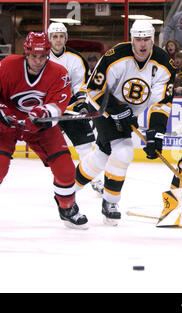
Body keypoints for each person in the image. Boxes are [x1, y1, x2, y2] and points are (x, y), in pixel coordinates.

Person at [74, 20, 176, 226]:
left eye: (146, 39)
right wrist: (117, 110)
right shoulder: (115, 56)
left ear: (153, 40)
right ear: (131, 39)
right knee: (124, 151)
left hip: (129, 112)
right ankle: (110, 202)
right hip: (102, 107)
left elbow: (162, 103)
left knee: (103, 154)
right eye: (138, 39)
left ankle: (67, 188)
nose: (142, 44)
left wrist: (156, 132)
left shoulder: (165, 63)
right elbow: (95, 89)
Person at [0, 32, 88, 229]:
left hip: (39, 126)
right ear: (26, 53)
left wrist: (43, 113)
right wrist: (2, 110)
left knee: (66, 171)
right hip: (6, 124)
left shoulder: (59, 72)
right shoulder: (7, 65)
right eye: (33, 56)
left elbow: (58, 104)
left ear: (48, 54)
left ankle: (67, 207)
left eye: (42, 56)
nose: (38, 61)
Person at [47, 22, 103, 196]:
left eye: (61, 36)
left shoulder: (75, 58)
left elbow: (81, 83)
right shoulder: (40, 57)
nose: (58, 40)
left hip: (70, 107)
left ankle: (96, 180)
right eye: (54, 36)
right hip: (49, 109)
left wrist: (80, 102)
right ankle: (61, 180)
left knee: (85, 146)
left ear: (66, 38)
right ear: (49, 39)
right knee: (52, 149)